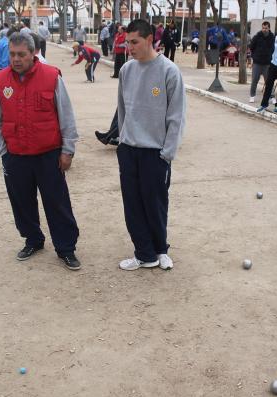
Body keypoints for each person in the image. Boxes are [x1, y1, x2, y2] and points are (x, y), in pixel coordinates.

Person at [0, 32, 81, 271]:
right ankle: (33, 239)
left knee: (57, 202)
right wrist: (2, 150)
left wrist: (68, 150)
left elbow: (66, 116)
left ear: (33, 53)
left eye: (21, 54)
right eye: (12, 54)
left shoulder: (51, 77)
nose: (16, 59)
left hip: (48, 154)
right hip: (15, 155)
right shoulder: (1, 80)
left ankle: (66, 248)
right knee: (21, 202)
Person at [116, 19, 186, 271]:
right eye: (127, 43)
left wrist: (167, 153)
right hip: (129, 149)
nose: (130, 47)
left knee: (155, 203)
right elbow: (122, 110)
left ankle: (160, 249)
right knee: (132, 204)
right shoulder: (126, 70)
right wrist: (123, 141)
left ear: (149, 40)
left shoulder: (168, 71)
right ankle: (144, 253)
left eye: (134, 42)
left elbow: (176, 116)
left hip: (155, 152)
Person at [248, 21, 274, 103]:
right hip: (257, 62)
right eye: (263, 28)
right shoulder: (257, 36)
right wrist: (254, 56)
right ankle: (252, 96)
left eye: (266, 28)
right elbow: (251, 47)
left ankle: (272, 96)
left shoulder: (272, 37)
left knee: (269, 81)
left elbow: (274, 48)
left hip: (267, 63)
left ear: (269, 28)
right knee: (255, 80)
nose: (264, 30)